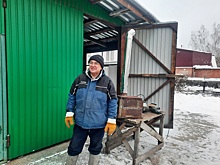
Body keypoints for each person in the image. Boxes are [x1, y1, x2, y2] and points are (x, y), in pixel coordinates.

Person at [65, 55, 118, 165]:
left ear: (101, 67)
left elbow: (113, 101)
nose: (93, 65)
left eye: (96, 63)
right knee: (74, 147)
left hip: (98, 124)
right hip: (80, 123)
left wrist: (111, 119)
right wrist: (69, 112)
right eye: (91, 62)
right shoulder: (80, 79)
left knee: (95, 148)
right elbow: (72, 96)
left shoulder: (107, 82)